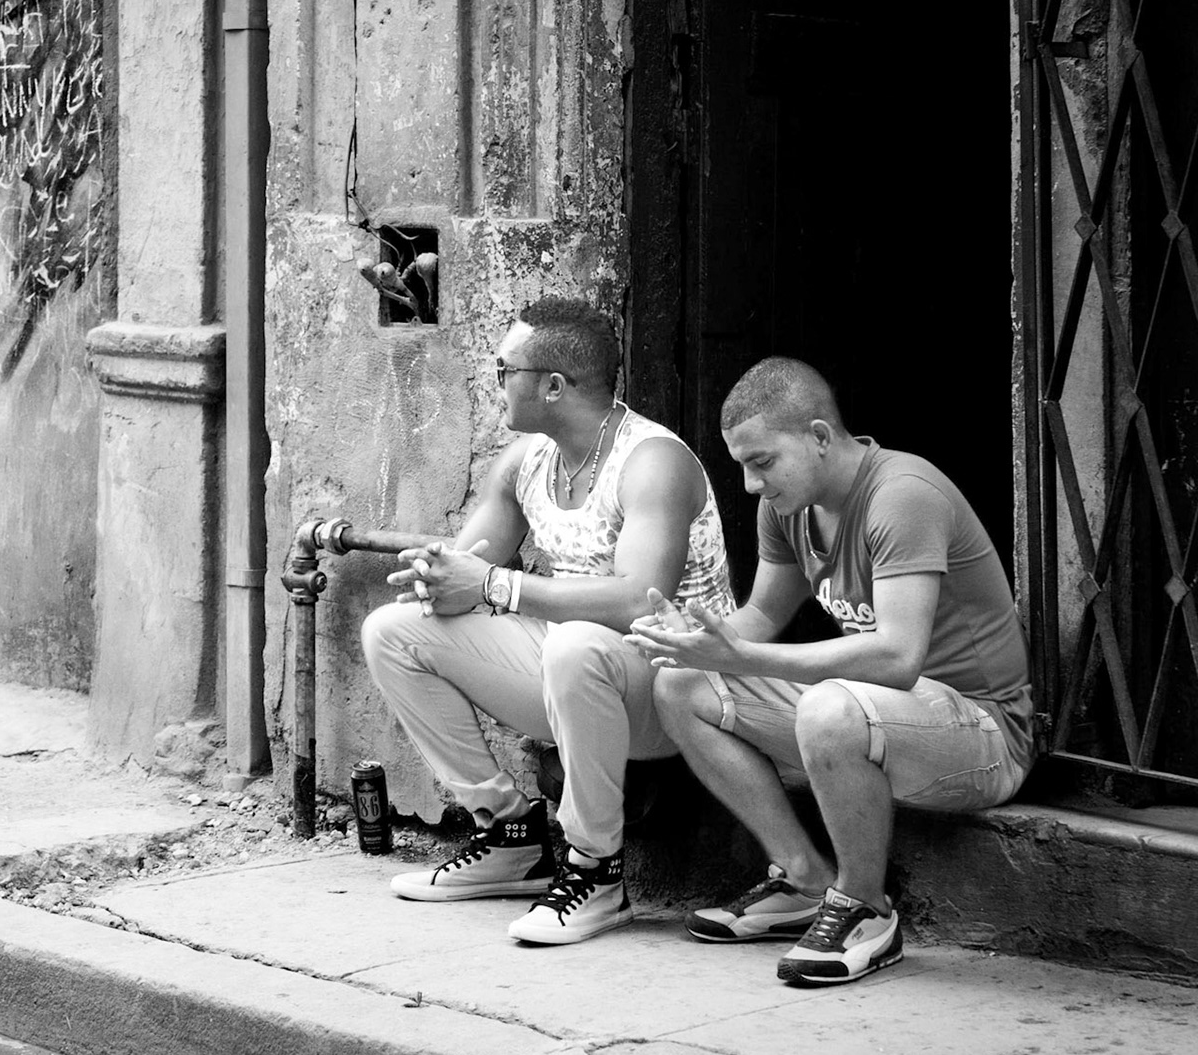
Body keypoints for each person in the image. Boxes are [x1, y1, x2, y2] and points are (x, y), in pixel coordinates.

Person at [627, 357, 1032, 987]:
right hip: (881, 716)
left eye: (763, 462)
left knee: (831, 706)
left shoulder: (903, 494)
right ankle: (804, 880)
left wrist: (745, 657)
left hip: (980, 732)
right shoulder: (789, 507)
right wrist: (698, 642)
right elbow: (762, 613)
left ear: (819, 436)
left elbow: (898, 657)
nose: (751, 484)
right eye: (741, 465)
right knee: (680, 685)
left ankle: (866, 908)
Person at [361, 296, 735, 944]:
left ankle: (596, 874)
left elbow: (638, 599)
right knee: (394, 632)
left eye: (506, 369)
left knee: (577, 647)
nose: (496, 381)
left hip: (674, 687)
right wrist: (438, 579)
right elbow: (470, 571)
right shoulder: (527, 462)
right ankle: (509, 835)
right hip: (574, 675)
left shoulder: (652, 462)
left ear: (554, 386)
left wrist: (494, 585)